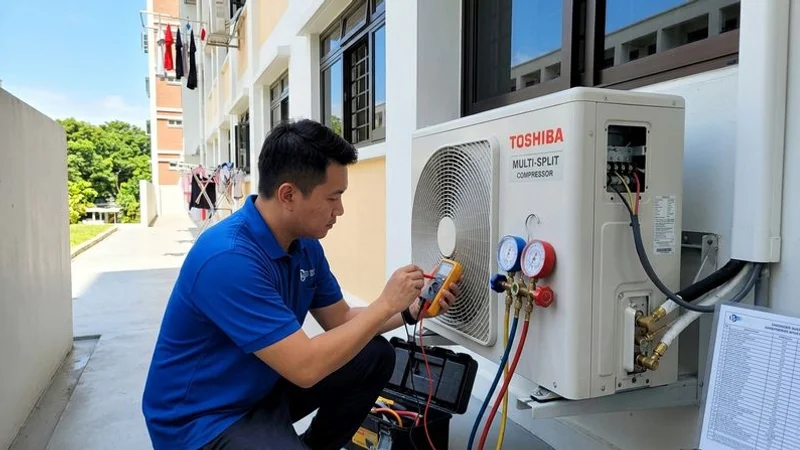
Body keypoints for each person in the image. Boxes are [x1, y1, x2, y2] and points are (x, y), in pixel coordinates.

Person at [141, 119, 460, 450]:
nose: (340, 210)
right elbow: (306, 367)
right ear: (288, 194)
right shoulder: (227, 258)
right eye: (333, 197)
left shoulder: (304, 244)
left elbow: (342, 320)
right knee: (328, 356)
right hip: (202, 419)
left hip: (262, 387)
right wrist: (382, 304)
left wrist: (408, 310)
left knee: (374, 354)